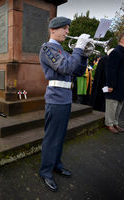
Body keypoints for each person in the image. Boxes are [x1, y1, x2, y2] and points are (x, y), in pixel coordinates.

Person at [39, 17, 90, 192]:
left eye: (68, 29)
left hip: (65, 97)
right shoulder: (47, 48)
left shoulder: (61, 49)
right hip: (56, 98)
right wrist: (78, 47)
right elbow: (65, 68)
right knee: (52, 137)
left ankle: (56, 164)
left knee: (60, 137)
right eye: (65, 29)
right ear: (53, 29)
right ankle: (46, 171)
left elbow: (77, 71)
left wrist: (83, 55)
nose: (68, 32)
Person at [105, 32, 124, 134]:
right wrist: (110, 85)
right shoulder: (115, 52)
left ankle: (115, 123)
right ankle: (109, 123)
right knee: (112, 105)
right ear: (122, 39)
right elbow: (110, 70)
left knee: (119, 105)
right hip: (114, 85)